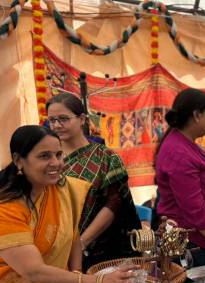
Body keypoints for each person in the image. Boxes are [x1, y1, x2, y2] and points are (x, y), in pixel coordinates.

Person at [0, 126, 136, 283]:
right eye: (44, 156)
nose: (56, 163)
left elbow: (71, 233)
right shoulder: (2, 208)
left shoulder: (59, 188)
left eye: (58, 155)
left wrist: (75, 275)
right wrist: (95, 282)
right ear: (18, 160)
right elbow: (33, 271)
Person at [46, 93, 141, 271]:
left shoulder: (105, 157)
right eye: (52, 120)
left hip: (99, 250)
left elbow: (114, 203)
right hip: (54, 247)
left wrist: (81, 243)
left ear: (82, 119)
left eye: (63, 119)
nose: (57, 125)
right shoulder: (47, 159)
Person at [155, 88, 205, 266]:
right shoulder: (179, 153)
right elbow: (196, 211)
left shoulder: (187, 145)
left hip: (204, 238)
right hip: (190, 245)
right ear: (197, 115)